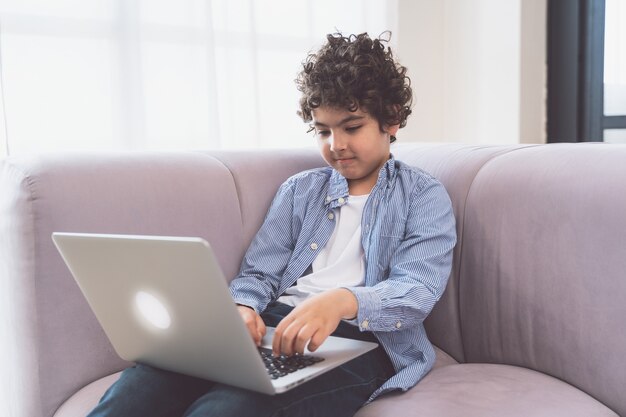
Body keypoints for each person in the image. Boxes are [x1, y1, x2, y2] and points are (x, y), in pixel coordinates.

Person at [87, 32, 456, 417]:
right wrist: (243, 308)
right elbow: (259, 273)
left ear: (391, 119)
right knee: (141, 387)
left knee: (227, 409)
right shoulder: (299, 191)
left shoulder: (423, 196)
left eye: (352, 127)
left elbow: (417, 290)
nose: (336, 144)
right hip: (274, 325)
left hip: (363, 340)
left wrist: (341, 301)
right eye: (323, 131)